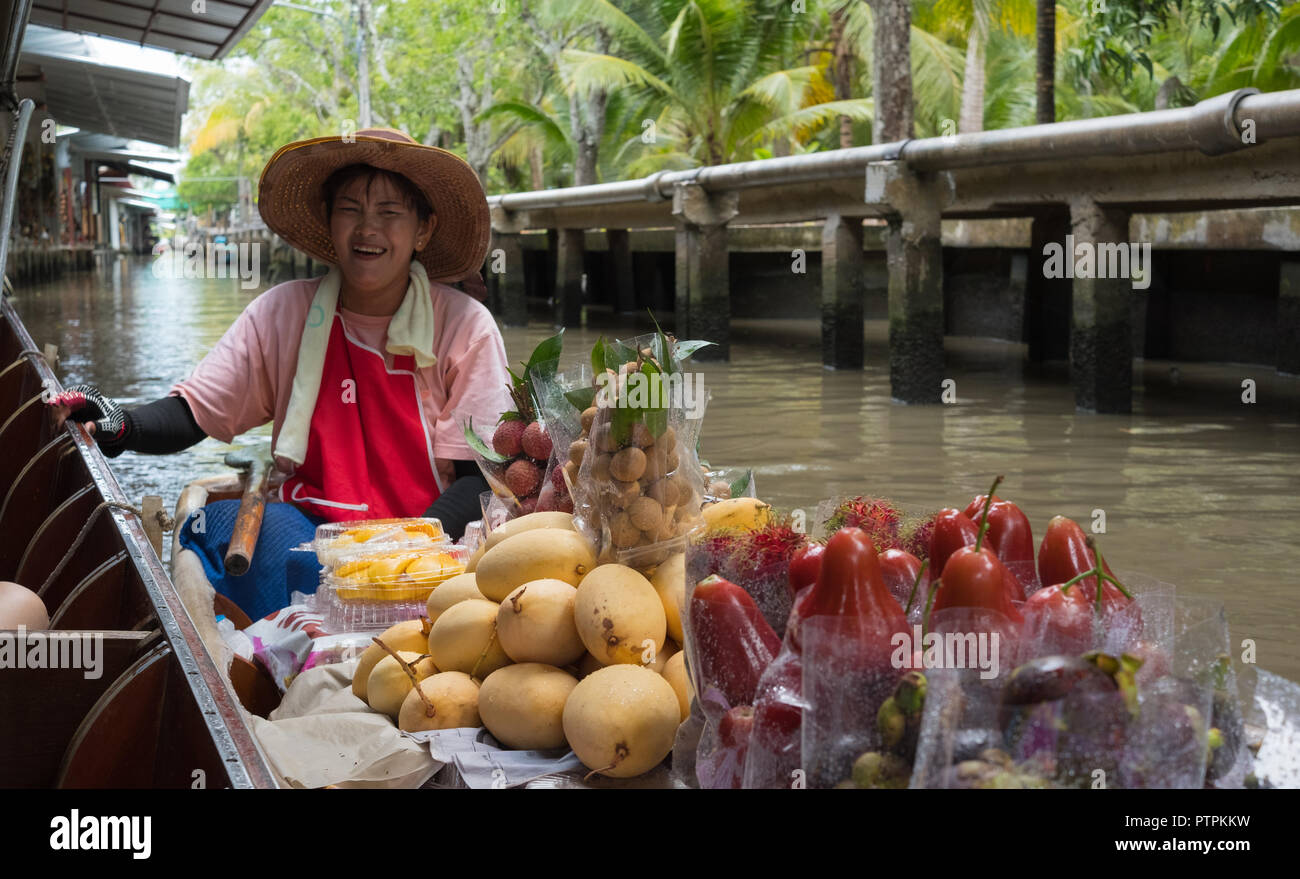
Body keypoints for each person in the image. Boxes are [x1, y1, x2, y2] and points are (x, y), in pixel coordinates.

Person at [49, 128, 512, 620]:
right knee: (210, 527)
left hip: (430, 542)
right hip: (313, 533)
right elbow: (196, 413)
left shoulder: (465, 326)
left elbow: (480, 480)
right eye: (349, 209)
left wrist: (390, 556)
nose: (366, 229)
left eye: (390, 213)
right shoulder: (284, 313)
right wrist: (119, 422)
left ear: (423, 229)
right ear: (330, 223)